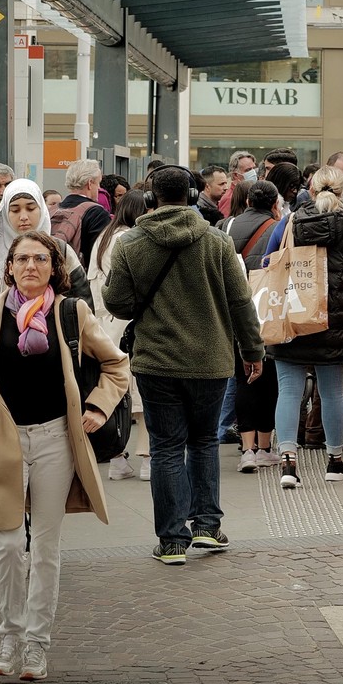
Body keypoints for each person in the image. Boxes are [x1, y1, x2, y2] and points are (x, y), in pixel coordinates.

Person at [0, 227, 131, 682]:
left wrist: (97, 408)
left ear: (54, 269)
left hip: (55, 441)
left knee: (45, 547)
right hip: (1, 441)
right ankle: (9, 636)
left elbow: (116, 364)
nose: (31, 266)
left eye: (41, 259)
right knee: (9, 545)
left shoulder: (71, 312)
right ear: (8, 268)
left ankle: (36, 644)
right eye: (23, 259)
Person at [102, 165, 262, 565]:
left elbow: (117, 303)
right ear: (192, 196)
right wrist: (252, 350)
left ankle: (172, 541)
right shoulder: (216, 241)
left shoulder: (130, 243)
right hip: (211, 360)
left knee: (166, 448)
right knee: (204, 441)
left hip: (156, 362)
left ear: (150, 198)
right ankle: (207, 526)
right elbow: (241, 302)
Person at [262, 166, 343, 489]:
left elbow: (268, 262)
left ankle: (288, 464)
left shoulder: (288, 223)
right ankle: (334, 462)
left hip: (292, 317)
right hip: (333, 321)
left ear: (311, 188)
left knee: (289, 391)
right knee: (333, 393)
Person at [89, 190, 152, 481]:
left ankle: (116, 459)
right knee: (141, 394)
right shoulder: (131, 239)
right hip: (128, 326)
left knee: (113, 393)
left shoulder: (103, 238)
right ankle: (147, 458)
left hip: (103, 327)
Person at [223, 180, 283, 472]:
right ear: (274, 204)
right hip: (269, 308)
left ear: (247, 202)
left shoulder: (226, 225)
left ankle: (247, 450)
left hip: (234, 309)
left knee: (242, 377)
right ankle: (265, 448)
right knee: (269, 378)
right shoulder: (280, 228)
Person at [0, 179, 92, 306]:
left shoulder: (62, 252)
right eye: (15, 210)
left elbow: (84, 308)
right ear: (5, 213)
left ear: (41, 210)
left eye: (30, 208)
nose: (23, 217)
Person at [52, 160, 113, 270]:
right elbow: (99, 257)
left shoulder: (51, 210)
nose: (99, 188)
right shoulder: (97, 213)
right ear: (90, 183)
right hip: (79, 276)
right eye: (98, 183)